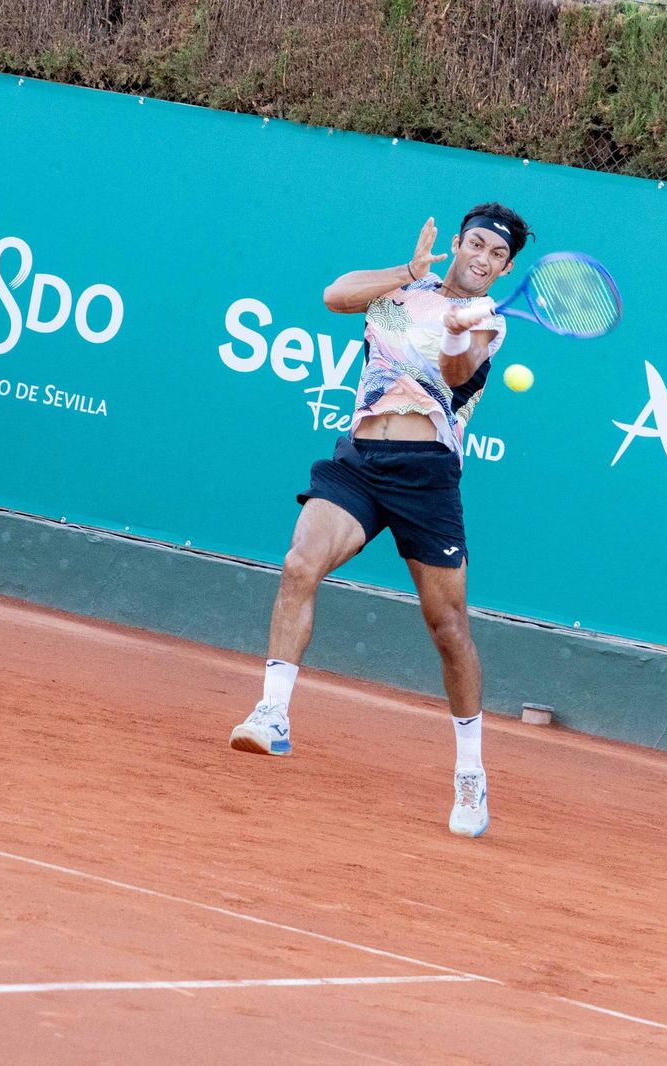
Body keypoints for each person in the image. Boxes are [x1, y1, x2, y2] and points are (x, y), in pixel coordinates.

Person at [229, 203, 534, 839]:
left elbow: (455, 376)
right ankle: (273, 714)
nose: (481, 259)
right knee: (299, 562)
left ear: (505, 270)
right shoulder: (403, 289)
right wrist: (406, 270)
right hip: (362, 457)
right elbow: (335, 295)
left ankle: (470, 773)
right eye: (474, 244)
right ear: (456, 243)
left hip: (427, 478)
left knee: (448, 628)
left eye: (496, 255)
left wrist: (456, 328)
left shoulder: (487, 324)